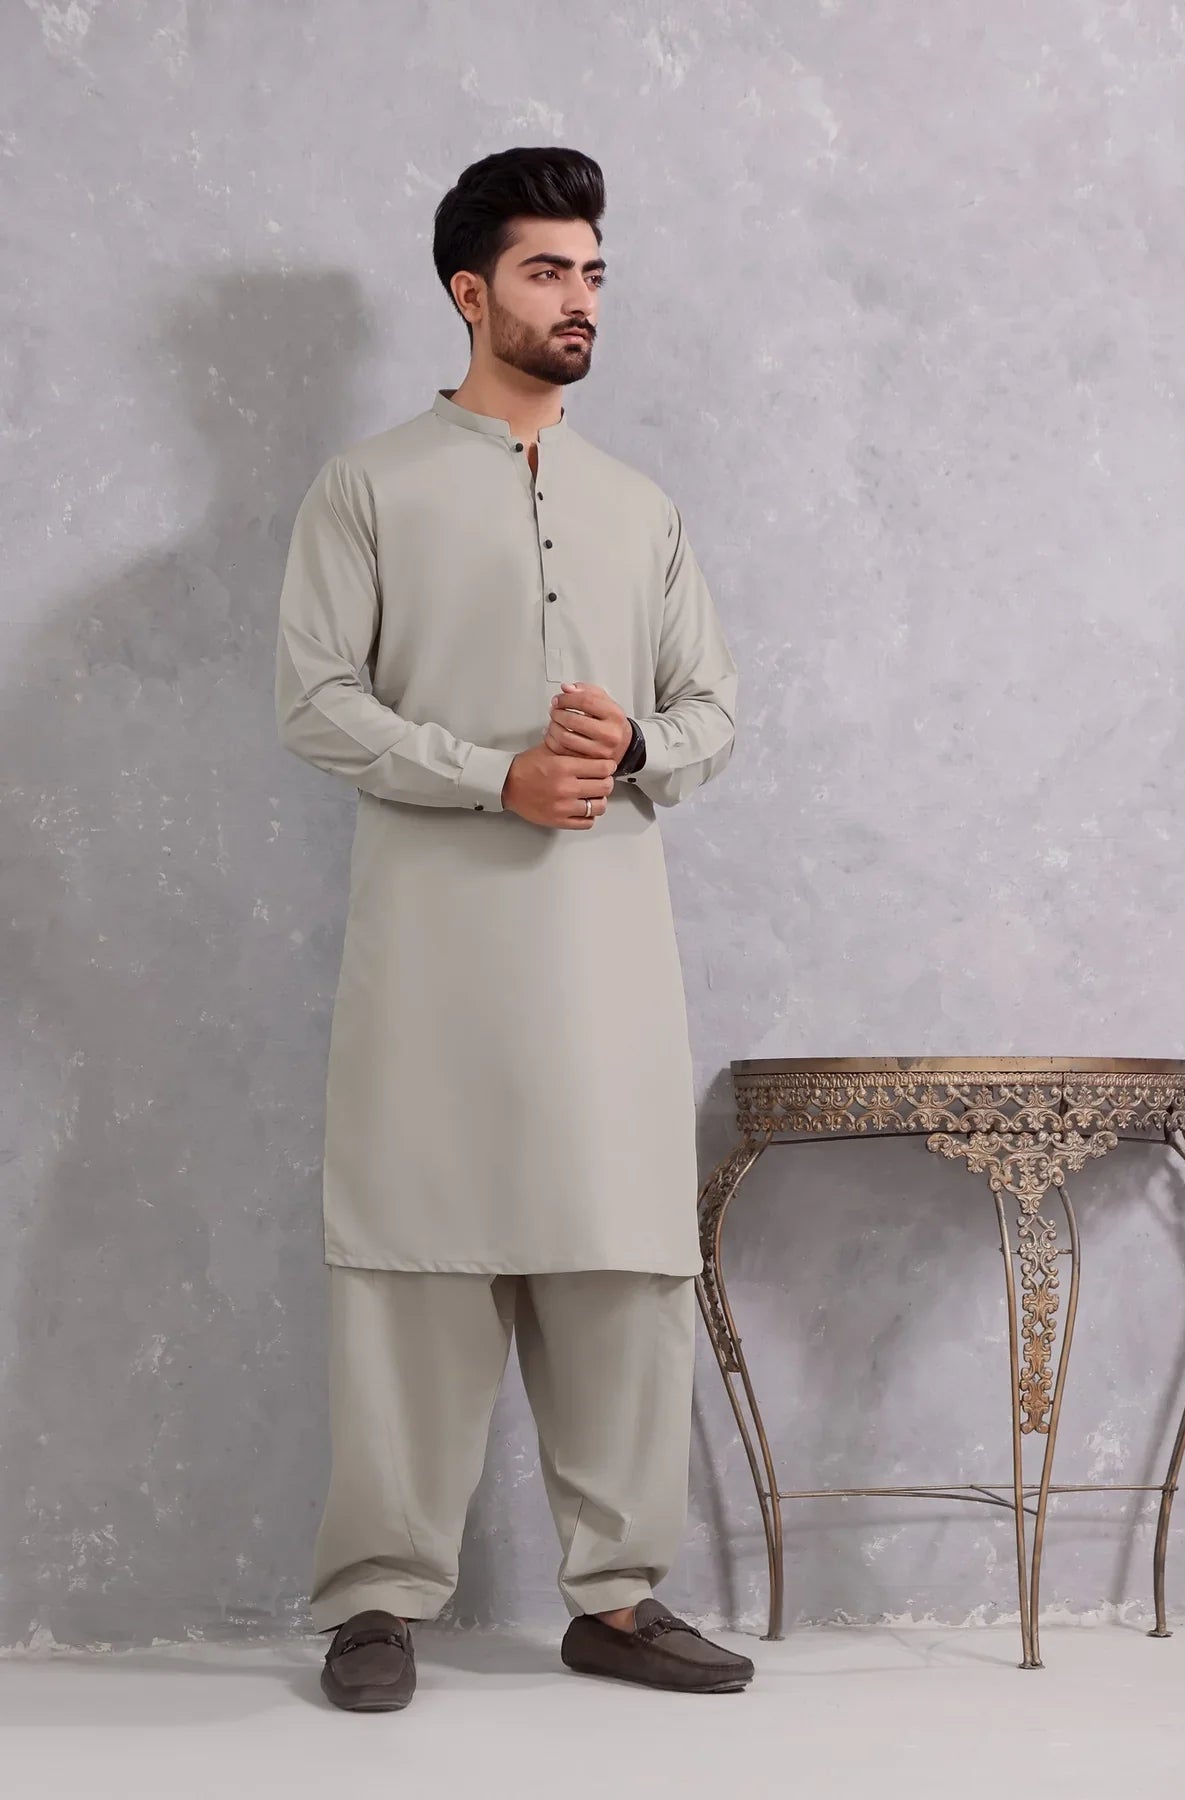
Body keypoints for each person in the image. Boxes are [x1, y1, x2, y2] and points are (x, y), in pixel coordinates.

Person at [274, 145, 749, 1711]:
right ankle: (373, 1604)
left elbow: (710, 708)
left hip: (605, 959)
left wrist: (631, 748)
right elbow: (315, 702)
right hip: (432, 955)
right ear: (469, 292)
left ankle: (614, 1601)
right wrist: (495, 775)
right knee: (411, 1263)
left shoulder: (638, 508)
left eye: (593, 271)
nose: (579, 298)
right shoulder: (368, 488)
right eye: (548, 271)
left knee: (621, 1264)